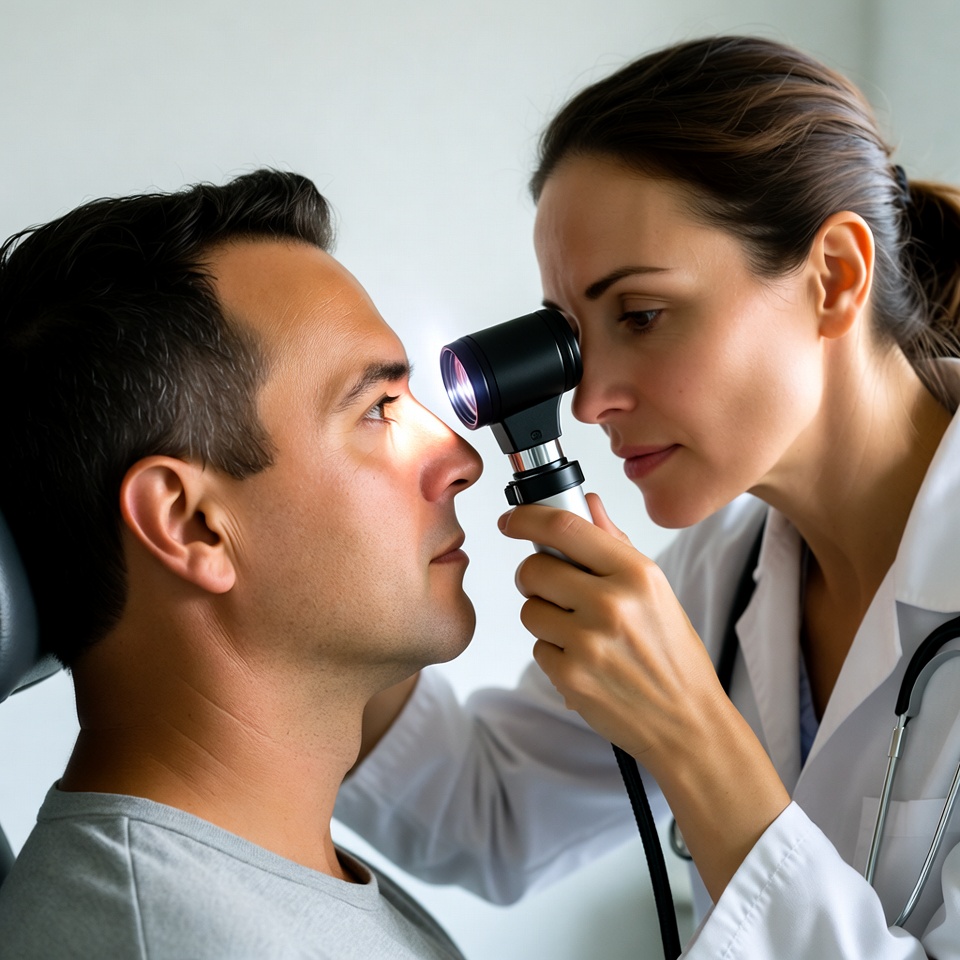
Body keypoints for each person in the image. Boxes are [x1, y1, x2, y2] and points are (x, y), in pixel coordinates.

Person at [336, 35, 960, 957]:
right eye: (577, 337)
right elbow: (488, 811)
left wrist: (692, 734)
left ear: (834, 275)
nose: (590, 401)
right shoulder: (731, 569)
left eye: (641, 315)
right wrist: (323, 555)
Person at [0, 169, 482, 959]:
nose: (460, 459)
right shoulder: (168, 938)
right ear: (193, 525)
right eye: (379, 410)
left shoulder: (274, 879)